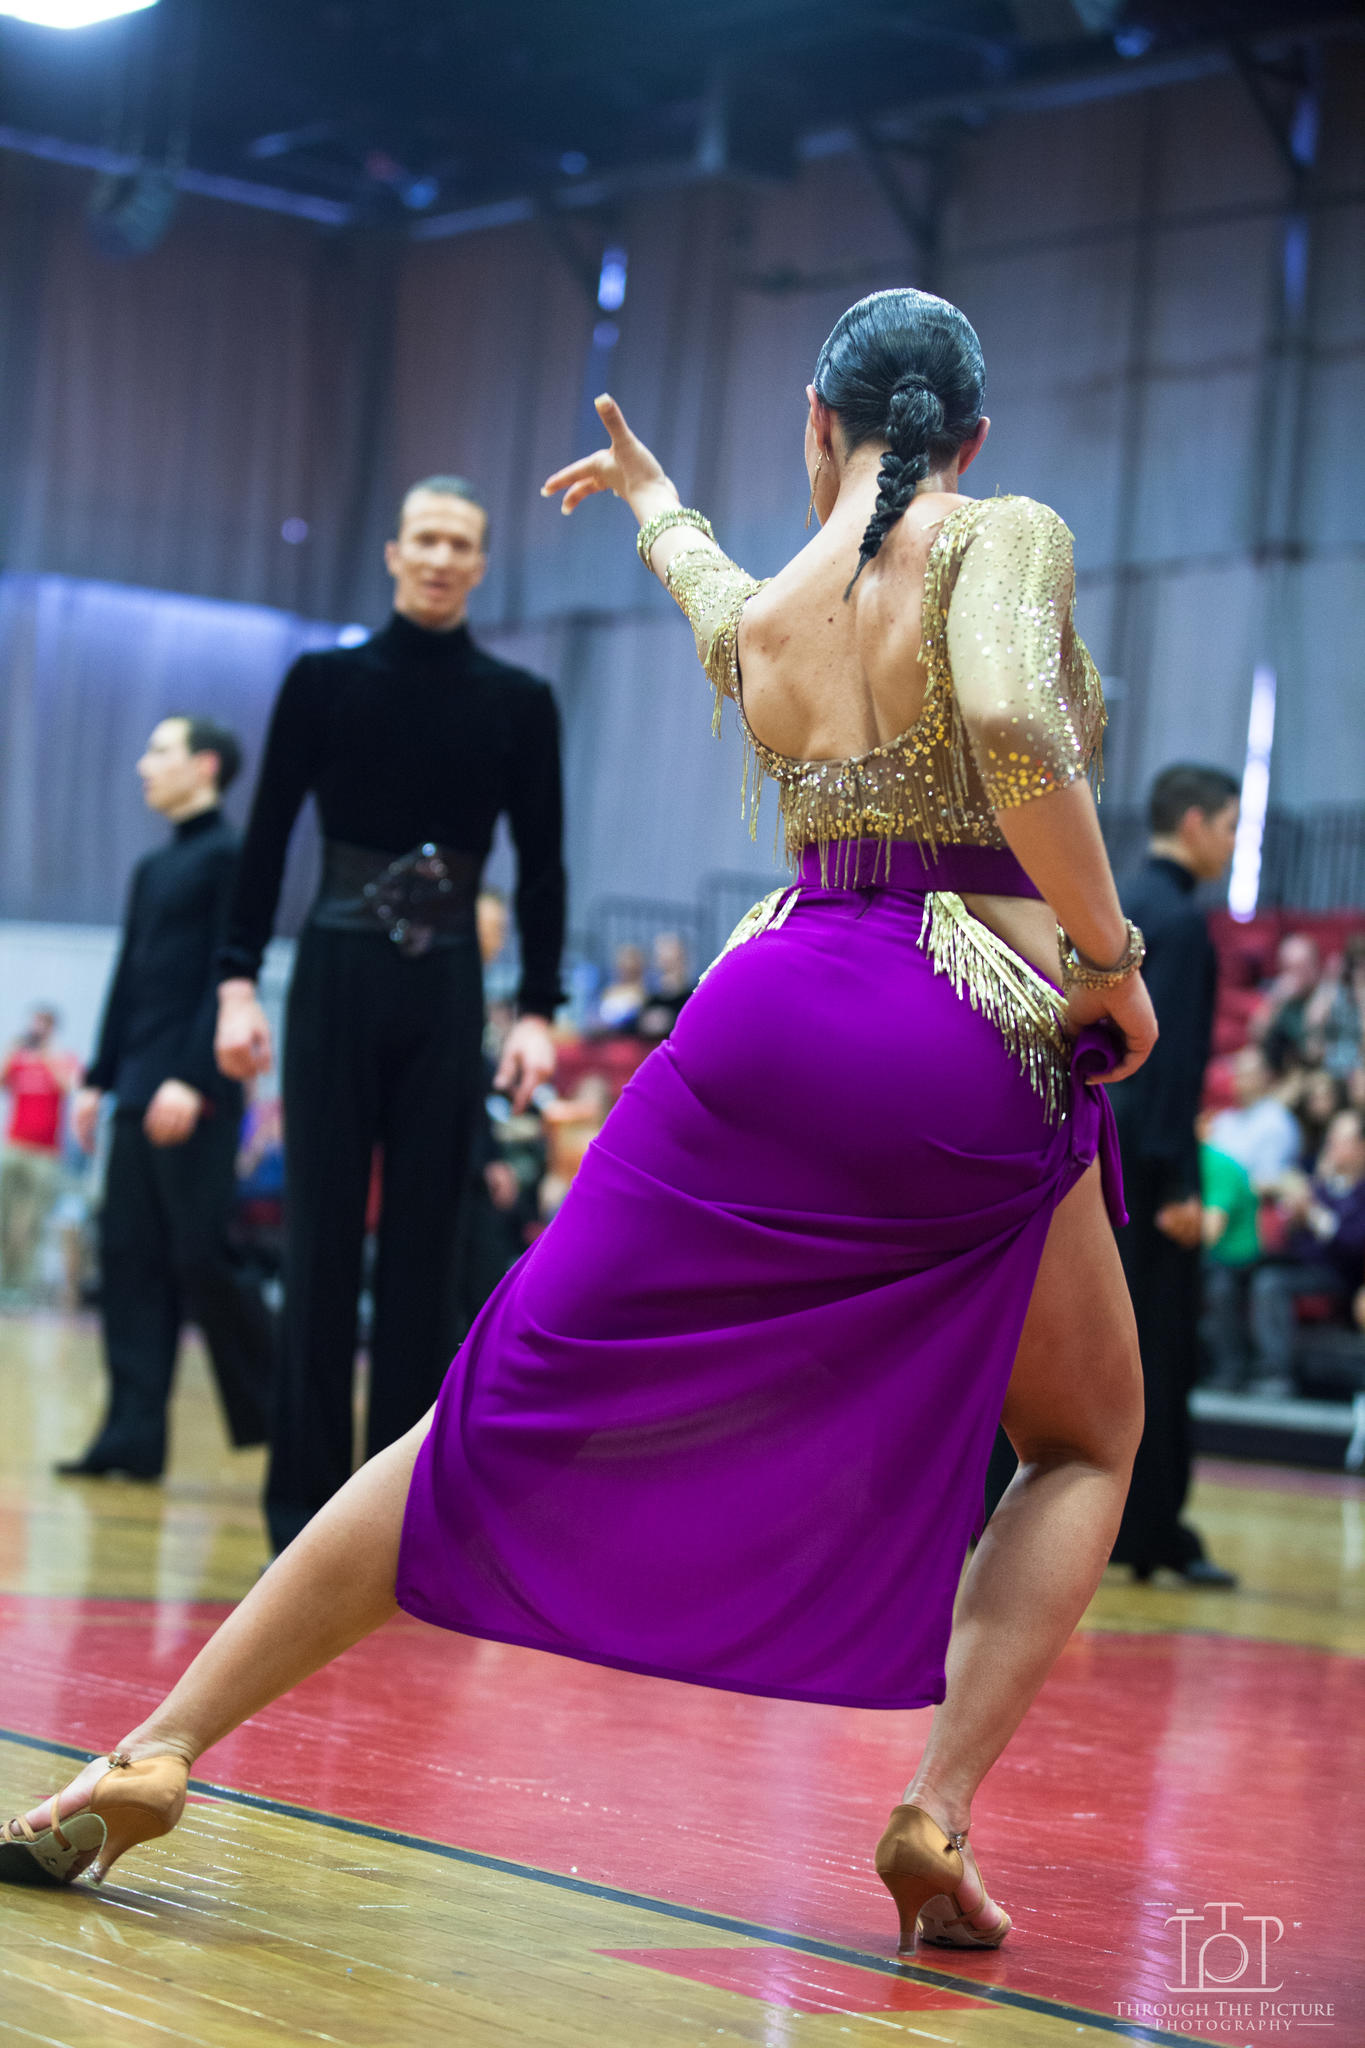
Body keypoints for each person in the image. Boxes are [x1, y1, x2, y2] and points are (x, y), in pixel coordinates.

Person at [2, 291, 1155, 1959]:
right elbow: (1009, 720)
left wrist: (656, 502)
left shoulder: (782, 604)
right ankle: (935, 1807)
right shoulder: (1004, 529)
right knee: (1085, 1441)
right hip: (962, 1025)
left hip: (760, 1006)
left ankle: (156, 1743)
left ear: (814, 421)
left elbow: (712, 598)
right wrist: (1111, 964)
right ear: (972, 437)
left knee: (480, 1410)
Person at [213, 476, 564, 1553]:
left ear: (481, 563)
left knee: (425, 1250)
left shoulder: (518, 701)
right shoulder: (324, 682)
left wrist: (538, 1010)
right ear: (394, 551)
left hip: (445, 985)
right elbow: (267, 835)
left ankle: (397, 1518)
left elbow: (543, 866)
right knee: (319, 1241)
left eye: (461, 542)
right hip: (334, 973)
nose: (441, 557)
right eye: (426, 539)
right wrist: (236, 980)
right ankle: (302, 1513)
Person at [57, 719, 273, 1480]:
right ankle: (132, 1437)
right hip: (137, 1089)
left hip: (193, 1090)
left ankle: (285, 1411)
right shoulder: (154, 867)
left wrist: (192, 1076)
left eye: (160, 752)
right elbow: (130, 975)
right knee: (129, 1260)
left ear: (206, 765)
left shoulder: (232, 855)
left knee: (201, 1257)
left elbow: (228, 976)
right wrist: (98, 1077)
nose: (144, 765)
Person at [1106, 762, 1240, 1587]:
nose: (1230, 844)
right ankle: (1151, 1530)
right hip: (1149, 1171)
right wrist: (1182, 1187)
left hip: (1093, 1152)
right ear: (1193, 824)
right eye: (1228, 826)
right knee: (1155, 1351)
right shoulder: (1183, 924)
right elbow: (1173, 1065)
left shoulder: (1118, 903)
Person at [1243, 1106, 1365, 1398]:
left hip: (1340, 1274)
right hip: (1305, 1264)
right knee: (1247, 1269)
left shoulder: (1360, 1191)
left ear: (1361, 1147)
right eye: (1331, 1138)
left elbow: (1354, 1244)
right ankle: (1239, 1366)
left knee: (1270, 1284)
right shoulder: (1323, 1184)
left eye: (1341, 1140)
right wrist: (1294, 1218)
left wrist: (1313, 1215)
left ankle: (1277, 1373)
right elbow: (1298, 1238)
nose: (1331, 1145)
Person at [0, 1006, 79, 1302]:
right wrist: (12, 1053)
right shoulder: (18, 1061)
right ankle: (2, 1280)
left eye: (42, 1025)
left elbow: (69, 1086)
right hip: (14, 1147)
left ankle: (20, 1287)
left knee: (29, 1223)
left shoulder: (63, 1059)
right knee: (3, 1216)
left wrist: (47, 1055)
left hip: (45, 1155)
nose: (36, 1030)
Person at [1206, 1044, 1302, 1190]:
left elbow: (1271, 1181)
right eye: (1236, 1073)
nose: (1238, 1080)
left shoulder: (1276, 1121)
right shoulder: (1224, 1119)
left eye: (1245, 1074)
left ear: (1264, 1076)